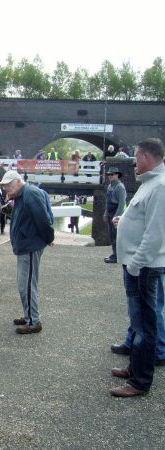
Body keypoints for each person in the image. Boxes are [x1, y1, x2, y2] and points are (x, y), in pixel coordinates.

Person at [108, 138, 165, 397]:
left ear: (145, 156)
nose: (133, 162)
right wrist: (125, 219)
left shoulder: (160, 186)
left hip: (142, 267)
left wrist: (136, 265)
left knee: (145, 325)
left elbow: (155, 235)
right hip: (135, 265)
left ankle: (140, 382)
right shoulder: (150, 184)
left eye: (136, 157)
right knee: (138, 320)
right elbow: (143, 219)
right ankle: (135, 367)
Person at [0, 170, 54, 334]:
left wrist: (49, 237)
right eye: (4, 186)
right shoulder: (22, 195)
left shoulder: (30, 194)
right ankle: (28, 315)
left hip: (30, 245)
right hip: (25, 245)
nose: (6, 189)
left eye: (8, 185)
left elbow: (42, 219)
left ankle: (33, 322)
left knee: (27, 285)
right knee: (25, 283)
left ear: (17, 181)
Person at [103, 167, 126, 263]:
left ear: (117, 175)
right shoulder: (109, 186)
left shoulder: (120, 187)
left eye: (112, 174)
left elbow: (122, 203)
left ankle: (117, 256)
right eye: (109, 174)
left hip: (116, 212)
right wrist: (105, 213)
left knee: (116, 236)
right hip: (110, 212)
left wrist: (116, 217)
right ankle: (114, 253)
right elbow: (107, 202)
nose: (110, 176)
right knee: (112, 235)